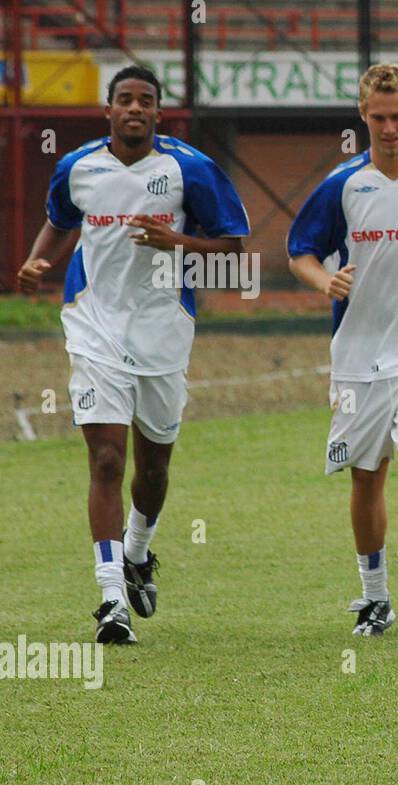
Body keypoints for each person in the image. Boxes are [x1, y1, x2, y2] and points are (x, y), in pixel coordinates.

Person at [17, 65, 250, 644]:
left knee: (153, 467)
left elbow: (234, 253)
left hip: (163, 330)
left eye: (146, 100)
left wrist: (180, 242)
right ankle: (111, 598)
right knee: (105, 462)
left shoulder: (188, 168)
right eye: (125, 100)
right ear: (109, 109)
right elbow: (57, 222)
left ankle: (139, 550)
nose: (135, 109)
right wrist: (36, 260)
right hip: (94, 325)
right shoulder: (79, 167)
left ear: (157, 111)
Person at [288, 63, 398, 635]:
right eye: (378, 117)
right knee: (366, 475)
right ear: (363, 117)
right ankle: (373, 596)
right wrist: (324, 282)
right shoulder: (343, 184)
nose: (389, 127)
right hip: (358, 353)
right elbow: (302, 252)